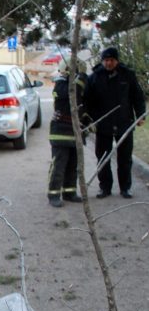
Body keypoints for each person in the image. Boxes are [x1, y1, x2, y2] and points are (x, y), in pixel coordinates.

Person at [86, 47, 146, 199]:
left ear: (117, 61)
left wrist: (140, 116)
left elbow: (138, 97)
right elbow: (88, 101)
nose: (108, 63)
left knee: (125, 158)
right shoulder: (95, 77)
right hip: (103, 124)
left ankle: (125, 188)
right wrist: (90, 120)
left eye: (111, 60)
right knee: (102, 157)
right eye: (106, 60)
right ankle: (105, 187)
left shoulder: (127, 75)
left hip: (124, 122)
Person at [47, 59, 89, 207]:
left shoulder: (75, 84)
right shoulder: (61, 85)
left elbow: (83, 104)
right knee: (59, 165)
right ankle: (53, 194)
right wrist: (82, 76)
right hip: (60, 132)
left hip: (75, 132)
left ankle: (69, 192)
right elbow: (74, 93)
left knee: (73, 165)